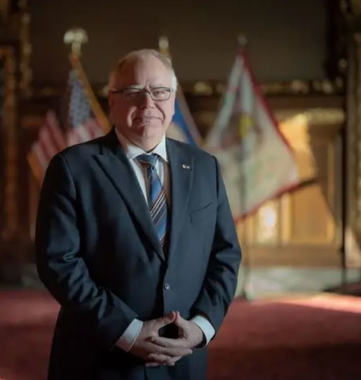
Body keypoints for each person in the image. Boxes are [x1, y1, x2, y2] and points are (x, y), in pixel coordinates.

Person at [35, 49, 242, 380]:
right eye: (133, 92)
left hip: (182, 361)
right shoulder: (72, 168)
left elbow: (225, 254)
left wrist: (203, 326)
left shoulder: (204, 167)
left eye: (159, 92)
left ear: (173, 100)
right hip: (100, 359)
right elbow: (58, 261)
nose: (148, 104)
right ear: (112, 100)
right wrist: (126, 331)